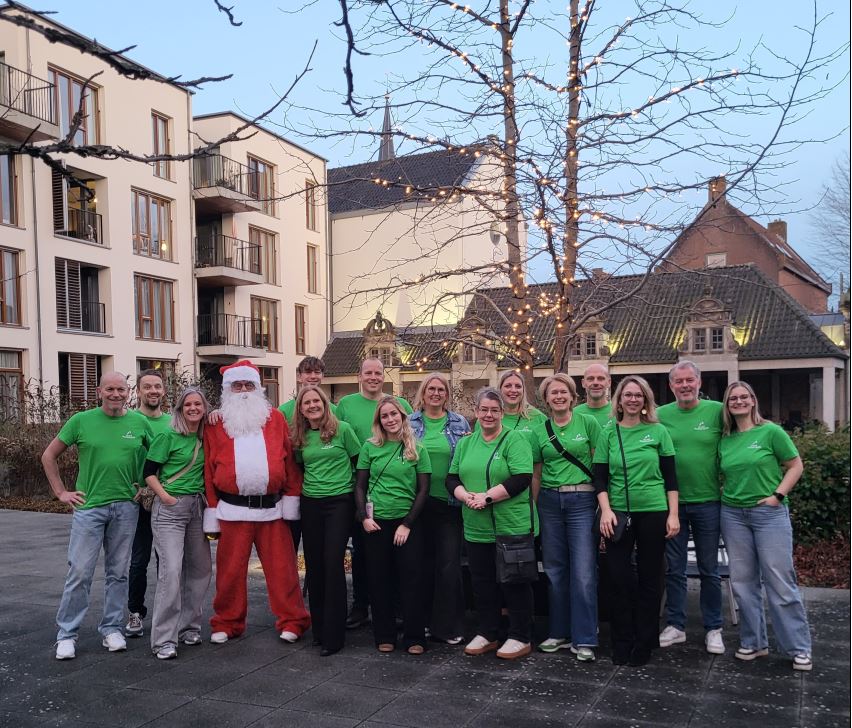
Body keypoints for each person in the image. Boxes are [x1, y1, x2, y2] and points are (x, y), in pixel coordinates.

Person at [42, 372, 153, 660]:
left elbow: (158, 458)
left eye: (121, 389)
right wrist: (61, 492)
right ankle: (67, 634)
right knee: (79, 572)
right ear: (99, 391)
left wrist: (146, 485)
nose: (116, 394)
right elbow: (48, 455)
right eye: (110, 389)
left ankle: (111, 629)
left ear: (129, 393)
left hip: (126, 507)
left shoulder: (139, 422)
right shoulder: (82, 421)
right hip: (89, 507)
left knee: (118, 572)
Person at [202, 360, 310, 644]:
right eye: (237, 386)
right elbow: (208, 470)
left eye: (249, 385)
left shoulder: (274, 419)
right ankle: (227, 621)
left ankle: (293, 620)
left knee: (283, 570)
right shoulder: (216, 423)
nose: (244, 391)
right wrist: (212, 508)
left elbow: (289, 464)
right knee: (229, 573)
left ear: (258, 388)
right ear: (227, 390)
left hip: (271, 510)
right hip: (231, 510)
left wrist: (291, 499)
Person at [718, 381, 812, 671]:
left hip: (768, 515)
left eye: (744, 397)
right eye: (733, 398)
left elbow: (796, 465)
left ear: (753, 400)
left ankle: (798, 647)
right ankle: (754, 642)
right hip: (733, 514)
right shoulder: (725, 438)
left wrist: (777, 495)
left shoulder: (770, 432)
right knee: (743, 582)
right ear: (727, 404)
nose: (739, 402)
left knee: (779, 580)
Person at [593, 375, 679, 667]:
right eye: (627, 395)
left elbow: (671, 477)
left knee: (650, 578)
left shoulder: (657, 432)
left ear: (646, 401)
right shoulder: (609, 433)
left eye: (638, 395)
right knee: (618, 578)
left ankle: (645, 642)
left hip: (654, 512)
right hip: (618, 513)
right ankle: (622, 640)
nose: (632, 399)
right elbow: (600, 478)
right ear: (619, 400)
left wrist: (674, 514)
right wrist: (605, 510)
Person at [448, 387, 536, 660]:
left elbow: (522, 478)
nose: (489, 415)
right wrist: (465, 497)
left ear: (502, 413)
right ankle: (488, 631)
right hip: (476, 526)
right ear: (475, 412)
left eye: (494, 410)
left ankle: (520, 636)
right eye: (483, 409)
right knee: (482, 582)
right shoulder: (465, 443)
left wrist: (486, 498)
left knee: (514, 582)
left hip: (510, 525)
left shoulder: (515, 439)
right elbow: (452, 478)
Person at [336, 358, 413, 629]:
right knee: (360, 552)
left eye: (378, 373)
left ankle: (395, 606)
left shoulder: (399, 405)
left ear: (384, 376)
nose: (373, 377)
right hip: (357, 488)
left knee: (393, 554)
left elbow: (411, 441)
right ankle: (360, 605)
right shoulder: (345, 405)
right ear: (360, 375)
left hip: (393, 492)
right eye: (368, 372)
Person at [532, 373, 602, 661]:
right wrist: (532, 509)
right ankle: (558, 633)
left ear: (573, 396)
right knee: (554, 571)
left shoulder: (588, 423)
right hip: (549, 501)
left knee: (584, 572)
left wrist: (602, 505)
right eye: (553, 393)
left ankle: (584, 637)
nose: (558, 397)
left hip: (582, 500)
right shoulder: (540, 429)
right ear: (546, 399)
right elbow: (536, 472)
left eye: (563, 392)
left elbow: (600, 465)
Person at [657, 361, 725, 655]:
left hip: (708, 501)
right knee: (675, 569)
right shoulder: (660, 415)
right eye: (679, 381)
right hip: (672, 505)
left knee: (710, 569)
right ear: (671, 386)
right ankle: (676, 625)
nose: (685, 385)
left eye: (690, 380)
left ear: (700, 382)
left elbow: (749, 428)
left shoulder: (717, 412)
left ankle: (714, 627)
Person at [355, 396, 431, 654]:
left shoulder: (417, 449)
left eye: (394, 415)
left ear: (402, 416)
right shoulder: (369, 447)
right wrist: (364, 518)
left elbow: (423, 491)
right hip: (376, 523)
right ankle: (384, 634)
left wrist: (407, 523)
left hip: (408, 523)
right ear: (379, 421)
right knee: (378, 580)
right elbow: (360, 486)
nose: (390, 420)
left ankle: (414, 637)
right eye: (384, 416)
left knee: (411, 580)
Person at [290, 385, 361, 656]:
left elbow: (360, 465)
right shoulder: (300, 435)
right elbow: (299, 467)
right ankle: (319, 631)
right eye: (306, 403)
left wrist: (358, 504)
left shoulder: (342, 429)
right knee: (315, 566)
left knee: (333, 564)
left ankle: (335, 635)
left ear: (324, 403)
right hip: (311, 503)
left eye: (315, 401)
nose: (311, 405)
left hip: (339, 503)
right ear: (301, 409)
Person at [143, 387, 212, 659]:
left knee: (200, 569)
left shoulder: (207, 436)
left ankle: (189, 627)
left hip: (197, 507)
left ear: (205, 408)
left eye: (198, 404)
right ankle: (163, 639)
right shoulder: (168, 435)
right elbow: (149, 472)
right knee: (171, 572)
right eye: (188, 405)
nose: (193, 409)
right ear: (180, 409)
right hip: (170, 509)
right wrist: (166, 498)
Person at [408, 373, 471, 645]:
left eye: (440, 389)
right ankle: (419, 622)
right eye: (431, 389)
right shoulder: (409, 423)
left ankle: (446, 626)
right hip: (416, 503)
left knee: (448, 566)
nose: (436, 393)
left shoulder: (460, 423)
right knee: (419, 566)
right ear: (423, 393)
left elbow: (467, 458)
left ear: (447, 394)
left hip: (449, 504)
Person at [126, 368, 173, 639]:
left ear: (163, 391)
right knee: (139, 559)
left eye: (157, 386)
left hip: (167, 499)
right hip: (139, 499)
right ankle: (135, 612)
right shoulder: (130, 420)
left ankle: (166, 613)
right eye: (147, 387)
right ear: (138, 391)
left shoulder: (172, 423)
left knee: (167, 561)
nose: (153, 391)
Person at [278, 356, 337, 423]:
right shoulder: (283, 411)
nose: (313, 376)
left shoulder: (333, 410)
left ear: (322, 376)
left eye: (317, 372)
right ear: (299, 376)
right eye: (308, 372)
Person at [574, 363, 612, 428]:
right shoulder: (573, 414)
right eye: (590, 379)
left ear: (609, 382)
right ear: (583, 383)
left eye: (600, 378)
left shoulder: (619, 412)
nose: (595, 383)